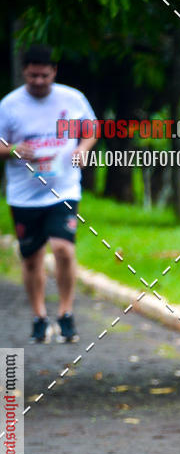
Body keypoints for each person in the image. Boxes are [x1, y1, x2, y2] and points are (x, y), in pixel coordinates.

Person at [0, 44, 97, 343]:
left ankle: (66, 314)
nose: (39, 81)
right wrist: (14, 150)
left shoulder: (72, 98)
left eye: (44, 75)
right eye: (32, 76)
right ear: (24, 73)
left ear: (54, 71)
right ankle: (39, 317)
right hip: (23, 194)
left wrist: (82, 148)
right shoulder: (9, 105)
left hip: (63, 189)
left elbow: (91, 129)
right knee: (31, 259)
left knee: (63, 250)